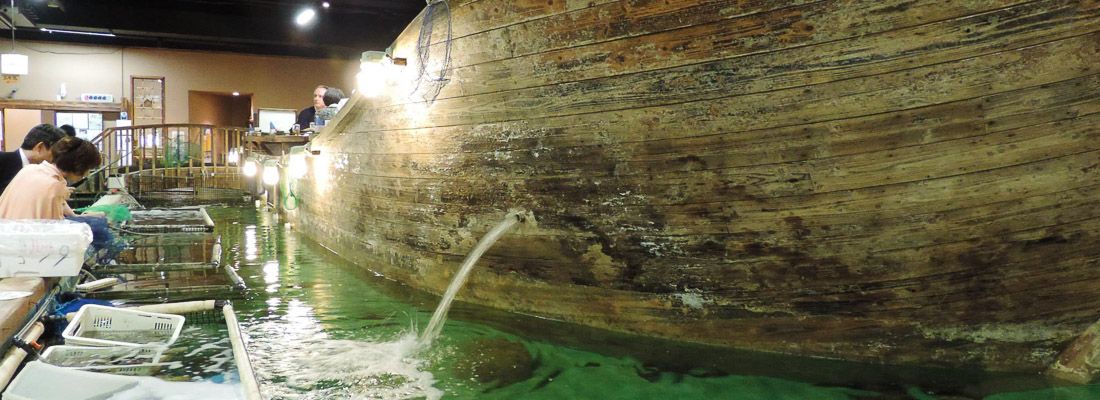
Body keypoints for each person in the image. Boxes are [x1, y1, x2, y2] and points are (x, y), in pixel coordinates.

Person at [0, 136, 100, 220]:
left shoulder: (29, 169)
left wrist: (73, 214)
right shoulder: (55, 185)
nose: (87, 174)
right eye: (88, 169)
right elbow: (54, 228)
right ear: (79, 166)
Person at [0, 124, 67, 195]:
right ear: (40, 147)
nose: (57, 158)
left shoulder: (46, 172)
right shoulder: (2, 160)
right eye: (56, 153)